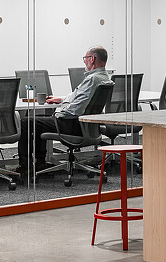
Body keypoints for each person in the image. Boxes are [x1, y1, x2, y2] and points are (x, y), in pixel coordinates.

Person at [16, 45, 114, 178]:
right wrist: (60, 100)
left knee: (26, 122)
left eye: (85, 58)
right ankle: (40, 162)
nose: (84, 61)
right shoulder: (104, 78)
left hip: (72, 124)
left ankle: (25, 166)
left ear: (92, 59)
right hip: (87, 126)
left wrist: (57, 113)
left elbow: (76, 109)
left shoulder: (92, 79)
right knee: (38, 122)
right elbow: (76, 96)